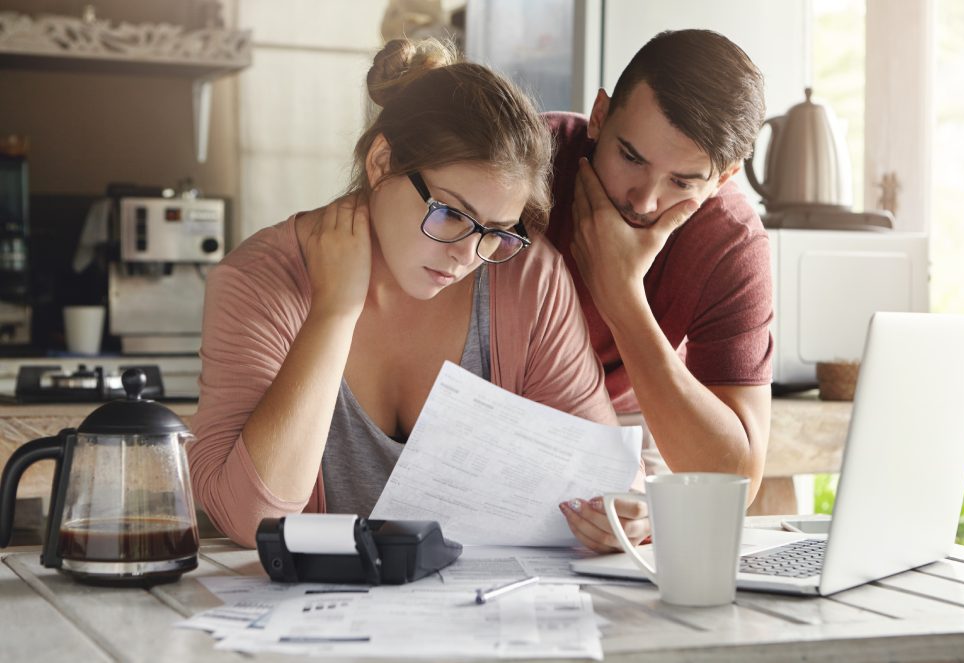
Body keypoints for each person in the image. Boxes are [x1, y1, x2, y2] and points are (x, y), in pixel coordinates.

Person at [188, 38, 647, 550]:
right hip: (314, 623)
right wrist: (334, 311)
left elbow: (604, 479)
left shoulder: (527, 276)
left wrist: (625, 514)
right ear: (382, 163)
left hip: (483, 613)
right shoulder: (259, 282)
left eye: (495, 230)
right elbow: (251, 519)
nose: (467, 254)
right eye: (450, 213)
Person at [548, 30, 774, 550]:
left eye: (683, 182)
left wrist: (622, 297)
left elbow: (734, 483)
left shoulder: (731, 242)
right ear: (600, 115)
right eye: (631, 157)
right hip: (490, 396)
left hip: (633, 416)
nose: (646, 201)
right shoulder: (526, 161)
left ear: (724, 177)